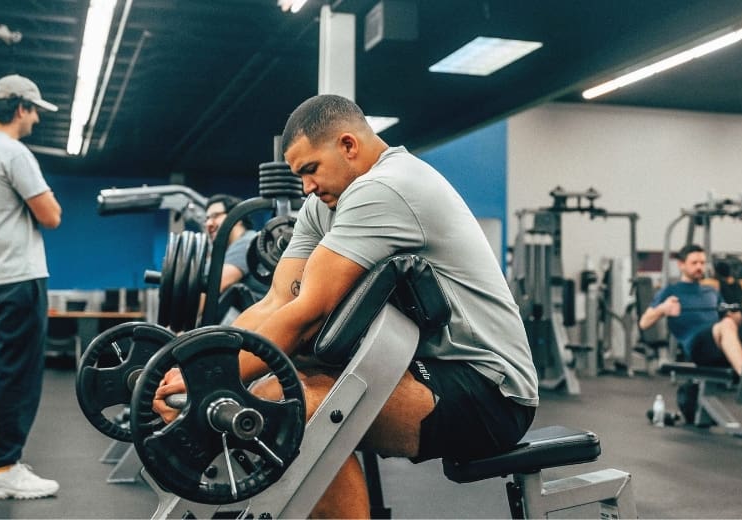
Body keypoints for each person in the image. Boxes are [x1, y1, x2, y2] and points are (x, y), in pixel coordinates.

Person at [154, 94, 539, 517]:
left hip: (491, 390)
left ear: (348, 146)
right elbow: (277, 302)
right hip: (432, 368)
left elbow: (309, 314)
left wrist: (208, 380)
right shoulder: (322, 207)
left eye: (310, 170)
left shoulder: (385, 188)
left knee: (288, 413)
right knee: (269, 394)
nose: (306, 187)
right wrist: (199, 364)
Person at [0, 74, 62, 500]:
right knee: (17, 377)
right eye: (35, 110)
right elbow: (51, 215)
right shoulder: (12, 152)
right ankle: (5, 468)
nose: (37, 118)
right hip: (18, 280)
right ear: (20, 108)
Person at [639, 244, 742, 375]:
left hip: (723, 342)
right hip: (699, 348)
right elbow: (644, 323)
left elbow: (729, 315)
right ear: (681, 265)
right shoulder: (670, 291)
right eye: (694, 263)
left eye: (702, 263)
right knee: (726, 325)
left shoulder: (711, 291)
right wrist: (663, 309)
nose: (700, 267)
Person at [204, 193, 268, 299]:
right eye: (207, 219)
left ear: (236, 217)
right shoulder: (226, 251)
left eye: (215, 216)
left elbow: (213, 288)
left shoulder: (248, 242)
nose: (208, 223)